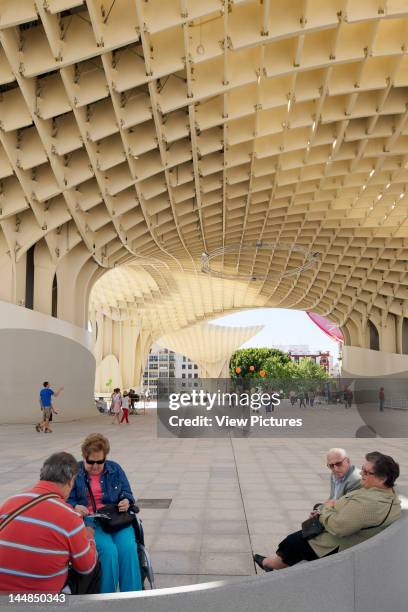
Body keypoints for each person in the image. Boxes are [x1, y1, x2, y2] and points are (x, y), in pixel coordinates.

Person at [254, 451, 401, 571]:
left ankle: (269, 565)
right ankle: (273, 562)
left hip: (335, 544)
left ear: (383, 479)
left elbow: (339, 527)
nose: (361, 474)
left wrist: (324, 511)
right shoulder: (387, 494)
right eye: (362, 469)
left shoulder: (368, 503)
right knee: (297, 537)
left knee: (293, 542)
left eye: (367, 472)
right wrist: (325, 508)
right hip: (344, 530)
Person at [0, 452, 100, 594]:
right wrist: (89, 536)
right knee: (95, 566)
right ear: (71, 480)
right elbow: (86, 567)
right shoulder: (70, 516)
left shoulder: (10, 502)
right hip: (39, 600)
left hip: (3, 597)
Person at [67, 433, 142, 593]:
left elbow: (127, 493)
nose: (95, 466)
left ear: (105, 457)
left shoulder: (115, 469)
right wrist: (75, 507)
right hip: (90, 521)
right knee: (108, 552)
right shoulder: (74, 473)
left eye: (100, 462)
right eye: (90, 462)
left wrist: (126, 501)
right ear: (84, 457)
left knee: (128, 549)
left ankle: (134, 598)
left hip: (116, 518)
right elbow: (66, 499)